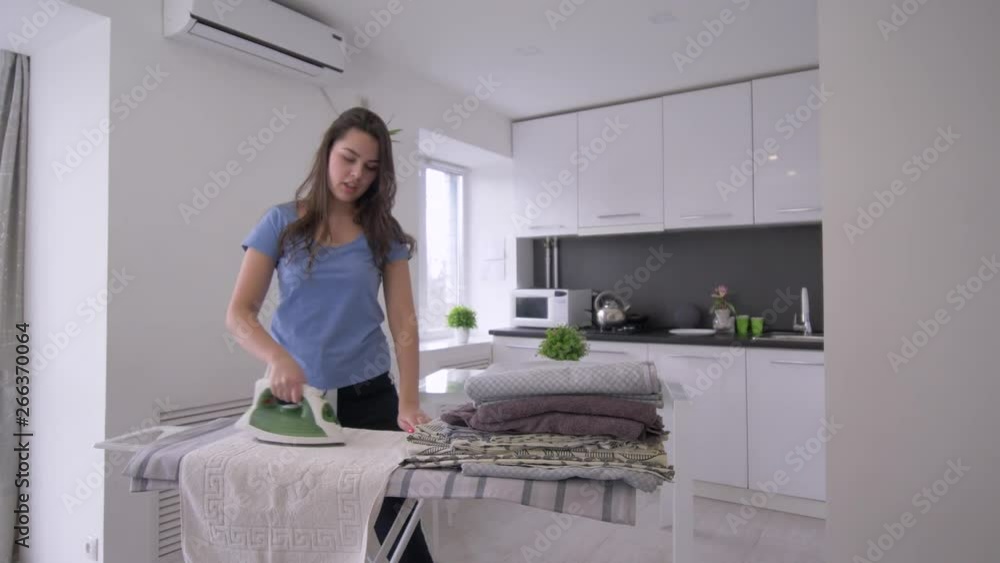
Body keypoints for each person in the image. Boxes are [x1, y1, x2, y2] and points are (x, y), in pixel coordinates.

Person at [225, 106, 434, 562]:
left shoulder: (384, 235)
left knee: (399, 528)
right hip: (296, 402)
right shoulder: (280, 224)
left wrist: (409, 401)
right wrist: (277, 358)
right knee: (296, 529)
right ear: (327, 155)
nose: (356, 174)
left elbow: (404, 323)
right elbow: (239, 313)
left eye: (371, 167)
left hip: (369, 397)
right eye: (349, 158)